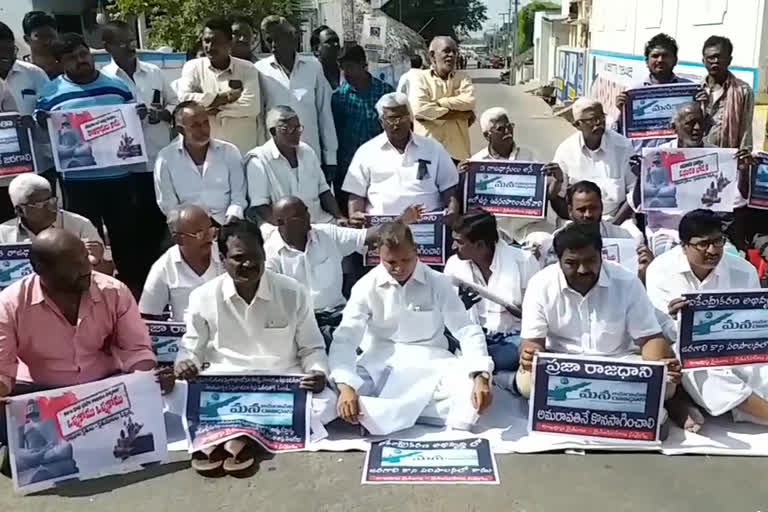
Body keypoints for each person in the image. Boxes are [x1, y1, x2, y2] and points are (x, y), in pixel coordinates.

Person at [173, 220, 335, 474]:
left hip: (279, 383)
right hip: (225, 382)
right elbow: (191, 348)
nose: (248, 264)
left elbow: (312, 348)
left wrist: (317, 372)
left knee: (327, 401)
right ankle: (249, 435)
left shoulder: (293, 291)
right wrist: (186, 364)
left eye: (255, 256)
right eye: (239, 258)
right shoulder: (203, 297)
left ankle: (230, 435)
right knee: (174, 394)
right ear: (223, 258)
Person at [330, 222, 493, 435]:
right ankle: (408, 412)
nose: (399, 268)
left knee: (471, 390)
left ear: (416, 251)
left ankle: (385, 415)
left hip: (433, 363)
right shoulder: (365, 286)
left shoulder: (438, 282)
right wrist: (346, 387)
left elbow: (465, 328)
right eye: (391, 262)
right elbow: (346, 338)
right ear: (379, 254)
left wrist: (481, 375)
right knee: (335, 392)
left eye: (405, 260)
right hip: (380, 364)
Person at [0, 229, 157, 446]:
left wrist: (145, 381)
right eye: (73, 265)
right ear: (41, 270)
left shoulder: (113, 291)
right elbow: (2, 370)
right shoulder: (9, 304)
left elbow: (136, 350)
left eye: (85, 257)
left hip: (103, 387)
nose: (87, 267)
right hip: (40, 391)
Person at [516, 223, 680, 402]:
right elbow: (532, 343)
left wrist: (659, 365)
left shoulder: (626, 281)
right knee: (526, 383)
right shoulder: (540, 284)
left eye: (590, 261)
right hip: (563, 366)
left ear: (601, 257)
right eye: (572, 263)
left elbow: (649, 338)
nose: (583, 270)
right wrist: (530, 356)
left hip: (618, 365)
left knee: (666, 385)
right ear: (559, 260)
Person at [35, 33, 144, 292]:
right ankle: (89, 292)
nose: (81, 61)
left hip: (118, 178)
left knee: (127, 242)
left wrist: (136, 114)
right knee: (84, 245)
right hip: (78, 182)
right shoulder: (50, 93)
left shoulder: (117, 85)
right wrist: (43, 122)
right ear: (61, 62)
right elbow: (42, 132)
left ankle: (132, 295)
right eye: (72, 58)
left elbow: (130, 120)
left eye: (84, 54)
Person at [646, 210, 767, 426]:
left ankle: (748, 408)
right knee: (700, 367)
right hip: (690, 350)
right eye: (703, 244)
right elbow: (662, 329)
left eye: (718, 241)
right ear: (683, 246)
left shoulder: (744, 270)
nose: (712, 250)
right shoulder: (660, 270)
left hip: (739, 348)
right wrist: (677, 319)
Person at [264, 196, 422, 349]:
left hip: (339, 316)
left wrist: (402, 220)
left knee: (377, 345)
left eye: (306, 211)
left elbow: (368, 237)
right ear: (280, 222)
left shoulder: (327, 234)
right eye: (299, 216)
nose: (307, 216)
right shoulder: (269, 253)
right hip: (301, 324)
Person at [102, 20, 178, 286]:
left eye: (131, 40)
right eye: (122, 42)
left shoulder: (154, 72)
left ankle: (161, 283)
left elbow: (175, 105)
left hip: (157, 164)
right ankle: (133, 286)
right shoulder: (104, 80)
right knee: (127, 232)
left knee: (158, 228)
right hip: (123, 170)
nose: (130, 46)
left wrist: (163, 114)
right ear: (107, 46)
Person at [629, 102, 751, 255]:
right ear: (674, 127)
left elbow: (738, 201)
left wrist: (743, 172)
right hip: (668, 232)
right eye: (690, 123)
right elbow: (638, 205)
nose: (697, 128)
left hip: (708, 233)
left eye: (701, 123)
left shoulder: (718, 156)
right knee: (672, 261)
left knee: (732, 261)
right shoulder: (657, 158)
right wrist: (642, 176)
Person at [444, 210, 538, 380]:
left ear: (480, 245)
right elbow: (449, 317)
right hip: (473, 336)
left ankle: (478, 367)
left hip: (512, 337)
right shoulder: (453, 264)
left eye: (459, 242)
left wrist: (521, 312)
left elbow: (539, 314)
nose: (453, 247)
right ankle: (482, 366)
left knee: (517, 353)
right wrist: (460, 305)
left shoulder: (524, 261)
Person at [342, 92, 460, 223]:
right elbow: (356, 192)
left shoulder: (433, 148)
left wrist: (452, 210)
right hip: (382, 228)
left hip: (426, 225)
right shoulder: (366, 151)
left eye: (402, 118)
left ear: (410, 118)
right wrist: (355, 214)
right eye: (391, 119)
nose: (397, 123)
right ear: (381, 122)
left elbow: (449, 188)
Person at [459, 107, 563, 243]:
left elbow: (546, 194)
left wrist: (557, 180)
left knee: (545, 242)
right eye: (501, 129)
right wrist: (461, 177)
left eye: (509, 126)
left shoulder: (529, 156)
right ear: (487, 135)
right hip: (494, 229)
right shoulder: (476, 163)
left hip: (529, 226)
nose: (507, 132)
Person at [256, 16, 337, 183]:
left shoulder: (313, 66)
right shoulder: (260, 70)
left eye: (279, 38)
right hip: (274, 158)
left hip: (311, 155)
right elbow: (259, 117)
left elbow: (324, 113)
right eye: (269, 39)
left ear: (293, 38)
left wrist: (330, 158)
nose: (273, 45)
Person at [176, 16, 262, 155]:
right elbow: (184, 100)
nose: (209, 47)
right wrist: (225, 98)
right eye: (206, 41)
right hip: (205, 153)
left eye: (215, 42)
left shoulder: (247, 69)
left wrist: (212, 109)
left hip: (241, 150)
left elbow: (251, 106)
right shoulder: (193, 67)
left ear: (229, 43)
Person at [246, 105, 344, 225]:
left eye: (298, 128)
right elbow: (261, 207)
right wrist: (291, 231)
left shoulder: (307, 151)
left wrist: (339, 217)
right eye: (288, 129)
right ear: (273, 131)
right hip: (281, 228)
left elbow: (323, 191)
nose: (296, 133)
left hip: (319, 221)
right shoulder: (258, 160)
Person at [154, 101, 247, 226]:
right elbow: (168, 205)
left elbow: (239, 196)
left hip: (228, 222)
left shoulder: (229, 151)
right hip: (189, 227)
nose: (204, 129)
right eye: (196, 125)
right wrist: (193, 226)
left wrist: (231, 219)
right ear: (180, 130)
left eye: (205, 123)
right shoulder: (165, 158)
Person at [0, 173, 114, 275]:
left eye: (52, 201)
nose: (52, 208)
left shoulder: (79, 225)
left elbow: (107, 274)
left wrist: (97, 260)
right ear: (20, 210)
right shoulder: (3, 235)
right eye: (41, 205)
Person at [539, 181, 650, 279]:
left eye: (593, 208)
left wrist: (645, 269)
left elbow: (631, 276)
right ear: (570, 211)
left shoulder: (622, 236)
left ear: (601, 207)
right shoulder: (559, 239)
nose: (588, 214)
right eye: (581, 210)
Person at [552, 97, 636, 225]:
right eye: (591, 120)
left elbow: (633, 192)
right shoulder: (565, 150)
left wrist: (613, 225)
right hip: (578, 220)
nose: (599, 123)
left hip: (616, 218)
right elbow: (559, 196)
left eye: (601, 117)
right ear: (577, 125)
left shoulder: (623, 146)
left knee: (636, 240)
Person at [0, 21, 52, 221]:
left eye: (10, 49)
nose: (7, 57)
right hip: (2, 176)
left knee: (41, 227)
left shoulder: (34, 74)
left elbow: (50, 110)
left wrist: (38, 119)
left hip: (38, 166)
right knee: (5, 230)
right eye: (0, 52)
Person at [331, 44, 394, 209]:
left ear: (363, 65)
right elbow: (335, 133)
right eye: (342, 68)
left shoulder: (385, 93)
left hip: (381, 166)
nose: (346, 73)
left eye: (350, 67)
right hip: (349, 169)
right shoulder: (339, 97)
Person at [139, 204, 224, 321]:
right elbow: (148, 315)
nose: (209, 237)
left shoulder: (227, 256)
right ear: (178, 239)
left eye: (210, 230)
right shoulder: (163, 267)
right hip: (185, 335)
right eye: (200, 234)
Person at [613, 33, 698, 149]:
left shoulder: (690, 90)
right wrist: (622, 112)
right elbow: (618, 133)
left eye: (665, 55)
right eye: (655, 56)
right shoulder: (634, 92)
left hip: (679, 158)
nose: (660, 60)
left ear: (675, 60)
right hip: (642, 158)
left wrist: (704, 106)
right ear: (647, 61)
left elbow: (701, 127)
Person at [409, 36, 475, 162]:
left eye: (455, 52)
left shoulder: (463, 78)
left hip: (457, 154)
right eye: (447, 51)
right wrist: (460, 114)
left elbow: (470, 101)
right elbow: (419, 110)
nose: (452, 55)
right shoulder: (420, 78)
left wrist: (439, 103)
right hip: (427, 155)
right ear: (433, 56)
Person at [701, 36, 753, 150]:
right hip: (698, 159)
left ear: (729, 60)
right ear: (703, 61)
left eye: (719, 57)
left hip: (727, 159)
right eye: (711, 58)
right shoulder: (696, 90)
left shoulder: (742, 90)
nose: (715, 62)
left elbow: (745, 129)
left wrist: (744, 154)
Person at [21, 11, 60, 79]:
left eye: (51, 35)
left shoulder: (69, 68)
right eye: (40, 36)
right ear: (27, 39)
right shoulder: (19, 71)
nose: (47, 42)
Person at [310, 25, 341, 91]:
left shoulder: (349, 76)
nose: (336, 44)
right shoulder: (309, 80)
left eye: (336, 40)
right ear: (316, 50)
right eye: (329, 42)